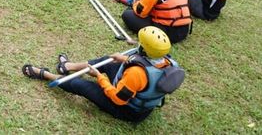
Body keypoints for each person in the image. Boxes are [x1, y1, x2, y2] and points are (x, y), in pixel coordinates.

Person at [21, 26, 184, 123]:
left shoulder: (136, 73)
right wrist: (124, 59)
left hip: (127, 109)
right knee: (109, 60)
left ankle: (47, 75)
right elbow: (149, 67)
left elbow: (118, 99)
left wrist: (100, 78)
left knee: (81, 85)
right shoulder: (166, 60)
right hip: (136, 95)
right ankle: (67, 66)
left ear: (145, 49)